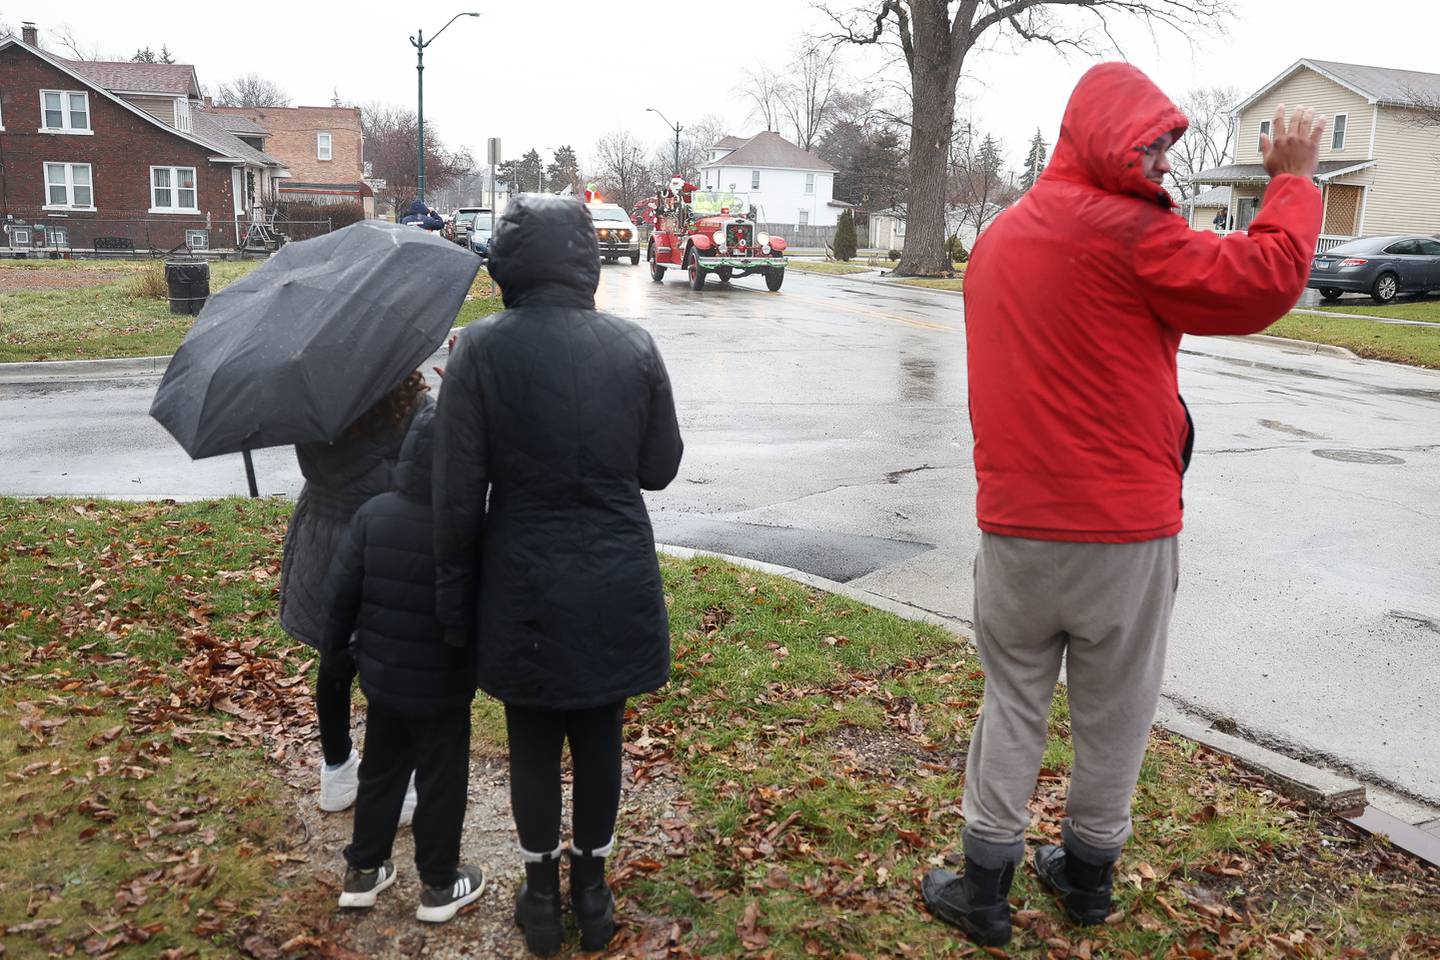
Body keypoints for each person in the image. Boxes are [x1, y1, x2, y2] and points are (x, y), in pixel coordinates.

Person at [921, 63, 1324, 948]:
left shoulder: (998, 239)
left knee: (1013, 701)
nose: (1164, 164)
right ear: (1108, 137)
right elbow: (1265, 279)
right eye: (1153, 146)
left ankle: (984, 885)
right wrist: (1291, 182)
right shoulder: (1135, 238)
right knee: (1116, 707)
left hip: (1017, 525)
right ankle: (1088, 878)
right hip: (1126, 533)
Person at [432, 194, 683, 957]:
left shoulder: (477, 350)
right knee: (600, 731)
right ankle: (594, 894)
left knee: (533, 738)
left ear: (507, 262)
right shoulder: (634, 348)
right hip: (612, 574)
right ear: (584, 261)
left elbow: (455, 493)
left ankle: (542, 900)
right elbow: (660, 468)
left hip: (523, 579)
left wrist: (453, 597)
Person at [321, 404, 485, 923]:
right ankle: (438, 884)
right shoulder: (469, 528)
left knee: (381, 773)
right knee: (441, 780)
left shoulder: (374, 514)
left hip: (384, 677)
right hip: (444, 685)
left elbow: (341, 595)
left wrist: (337, 657)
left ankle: (363, 872)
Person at [279, 372, 431, 816]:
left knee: (335, 662)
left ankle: (337, 772)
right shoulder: (413, 405)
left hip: (325, 540)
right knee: (396, 666)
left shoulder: (309, 405)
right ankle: (402, 791)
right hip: (390, 543)